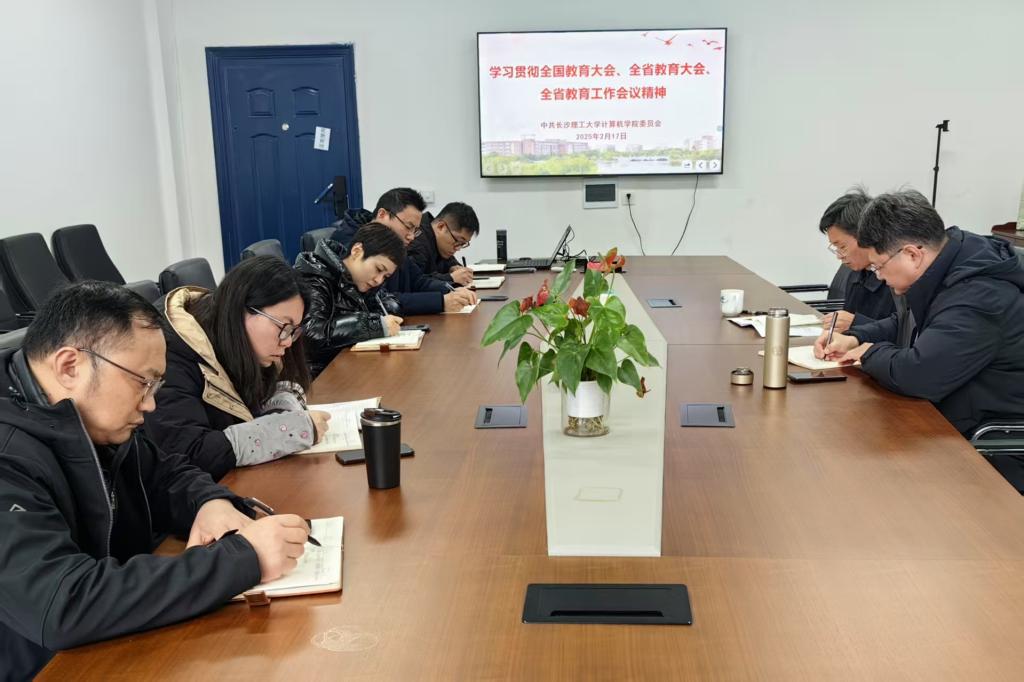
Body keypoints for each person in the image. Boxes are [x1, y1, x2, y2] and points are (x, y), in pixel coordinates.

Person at [0, 282, 309, 680]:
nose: (150, 404)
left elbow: (166, 472)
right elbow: (62, 604)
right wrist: (244, 559)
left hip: (116, 646)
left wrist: (210, 503)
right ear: (70, 367)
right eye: (142, 382)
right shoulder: (9, 455)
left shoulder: (89, 419)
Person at [816, 189, 1024, 454]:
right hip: (950, 418)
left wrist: (870, 352)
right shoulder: (951, 262)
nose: (878, 277)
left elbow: (919, 376)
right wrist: (855, 338)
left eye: (878, 267)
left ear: (912, 254)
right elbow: (907, 322)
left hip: (989, 442)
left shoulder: (979, 296)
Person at [144, 256, 330, 481]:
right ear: (242, 309)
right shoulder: (170, 356)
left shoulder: (234, 338)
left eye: (293, 331)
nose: (288, 341)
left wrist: (281, 404)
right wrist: (287, 431)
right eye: (283, 326)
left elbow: (263, 395)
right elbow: (189, 453)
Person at [330, 187, 476, 314]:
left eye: (415, 230)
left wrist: (451, 290)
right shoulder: (351, 244)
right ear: (382, 215)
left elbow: (418, 281)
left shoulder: (394, 243)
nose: (411, 236)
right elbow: (380, 299)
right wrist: (441, 302)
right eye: (408, 227)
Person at [296, 223, 406, 375]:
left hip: (347, 365)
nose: (378, 280)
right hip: (318, 374)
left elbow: (389, 302)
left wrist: (384, 310)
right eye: (379, 269)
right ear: (357, 251)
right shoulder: (315, 277)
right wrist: (373, 324)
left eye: (385, 276)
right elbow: (311, 335)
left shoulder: (360, 280)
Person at [817, 188, 896, 333]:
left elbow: (904, 334)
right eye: (835, 247)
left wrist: (856, 323)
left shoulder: (897, 277)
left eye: (842, 246)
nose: (839, 255)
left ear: (865, 235)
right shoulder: (856, 272)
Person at [408, 202, 480, 286]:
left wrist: (454, 267)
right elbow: (414, 282)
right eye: (458, 241)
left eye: (463, 244)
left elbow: (449, 261)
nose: (458, 248)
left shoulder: (439, 242)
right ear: (441, 227)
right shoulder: (417, 243)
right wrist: (451, 278)